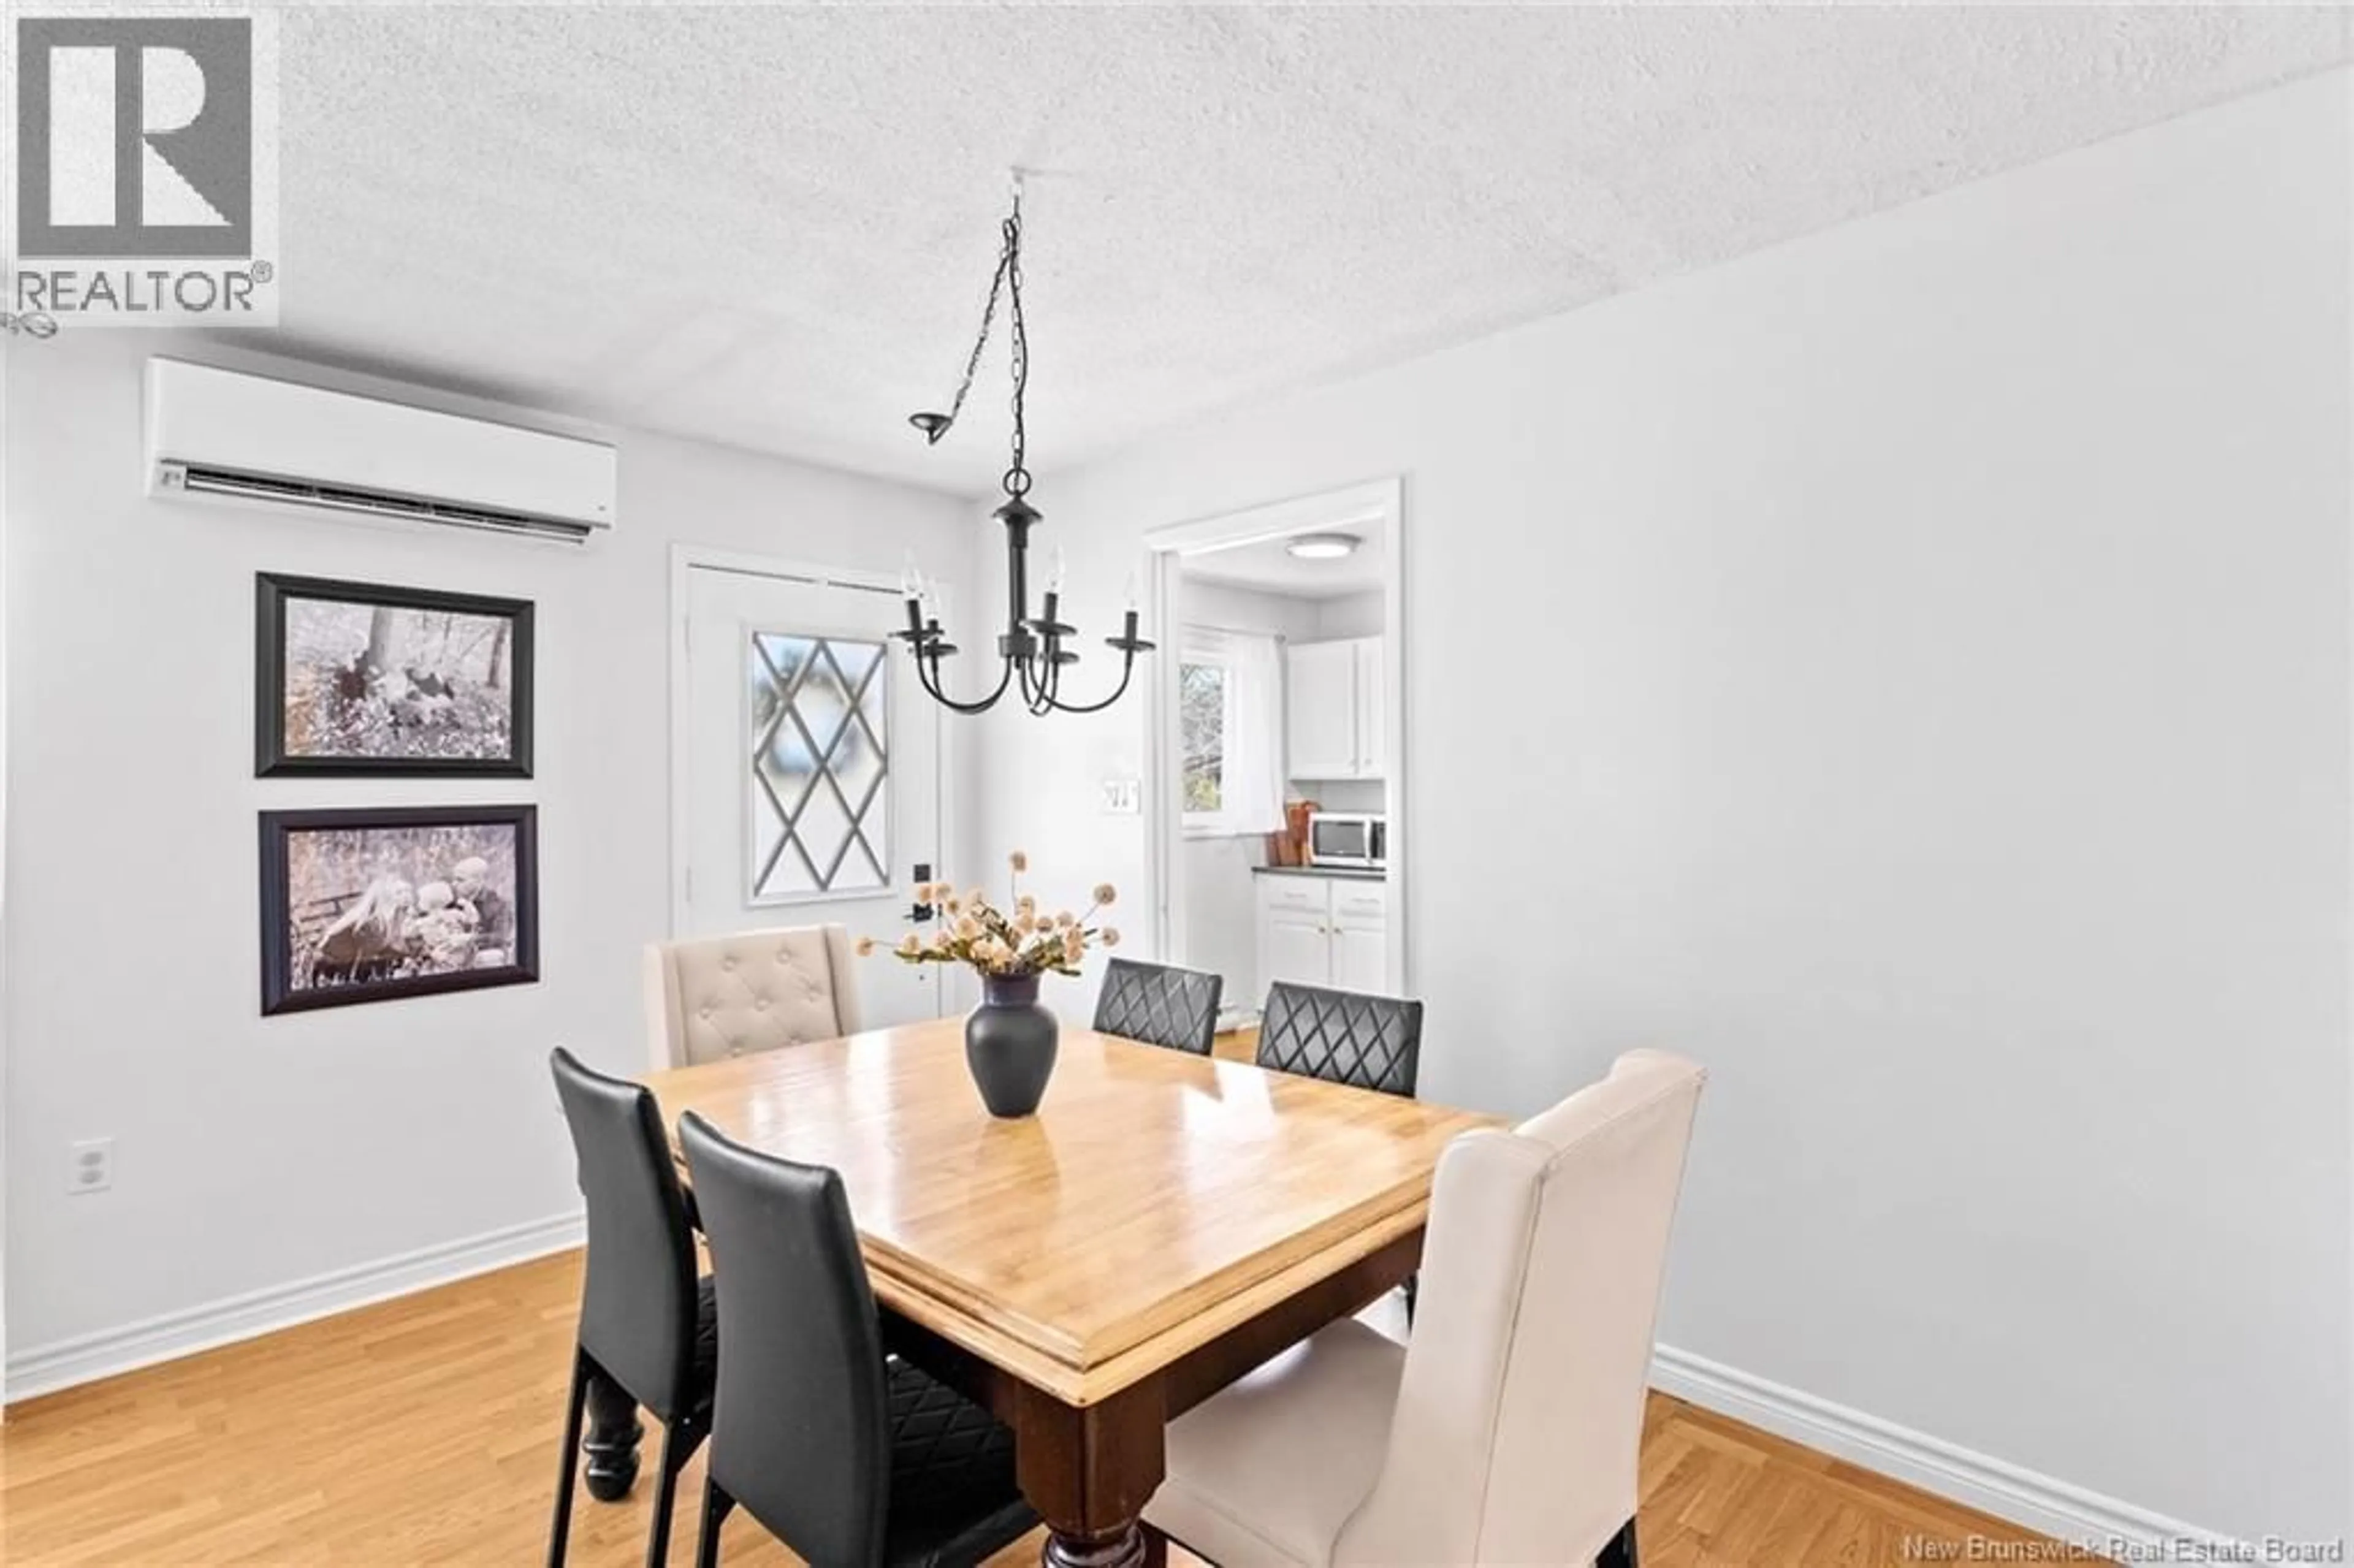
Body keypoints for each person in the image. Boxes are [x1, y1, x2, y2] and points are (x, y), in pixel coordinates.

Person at [315, 877, 416, 980]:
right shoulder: (372, 924)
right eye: (399, 893)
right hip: (337, 962)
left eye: (407, 891)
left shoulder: (387, 920)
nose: (406, 896)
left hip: (346, 959)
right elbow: (371, 952)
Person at [450, 856, 511, 961]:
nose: (454, 884)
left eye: (461, 880)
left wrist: (471, 939)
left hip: (484, 953)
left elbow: (501, 936)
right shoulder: (450, 900)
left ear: (478, 881)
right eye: (454, 879)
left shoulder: (498, 904)